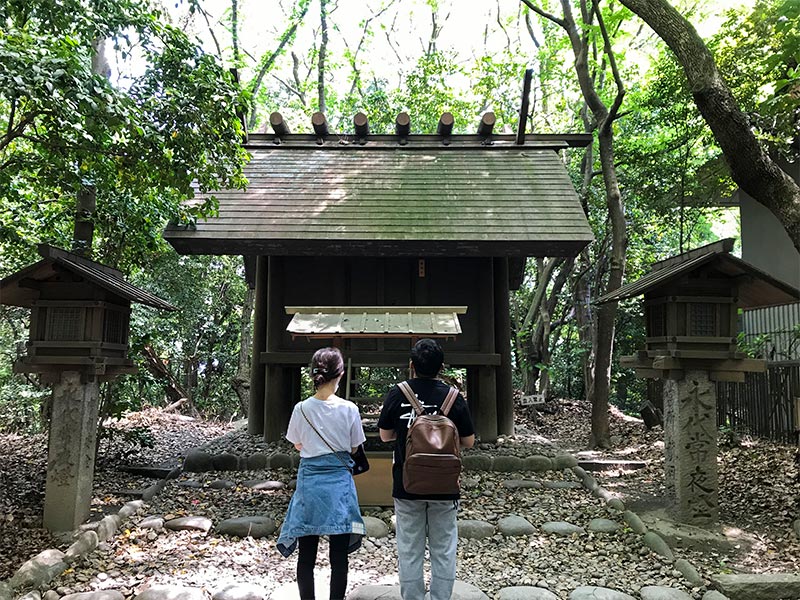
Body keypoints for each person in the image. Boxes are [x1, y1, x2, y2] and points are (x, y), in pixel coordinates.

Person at [377, 338, 475, 600]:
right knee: (443, 548)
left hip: (407, 484)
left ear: (412, 365)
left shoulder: (398, 393)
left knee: (409, 548)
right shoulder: (454, 397)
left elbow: (385, 436)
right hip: (445, 484)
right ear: (441, 367)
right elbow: (468, 441)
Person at [277, 347, 367, 600]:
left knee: (307, 555)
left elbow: (296, 443)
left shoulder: (301, 409)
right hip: (338, 482)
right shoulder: (349, 409)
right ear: (340, 375)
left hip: (311, 482)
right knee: (338, 557)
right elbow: (354, 447)